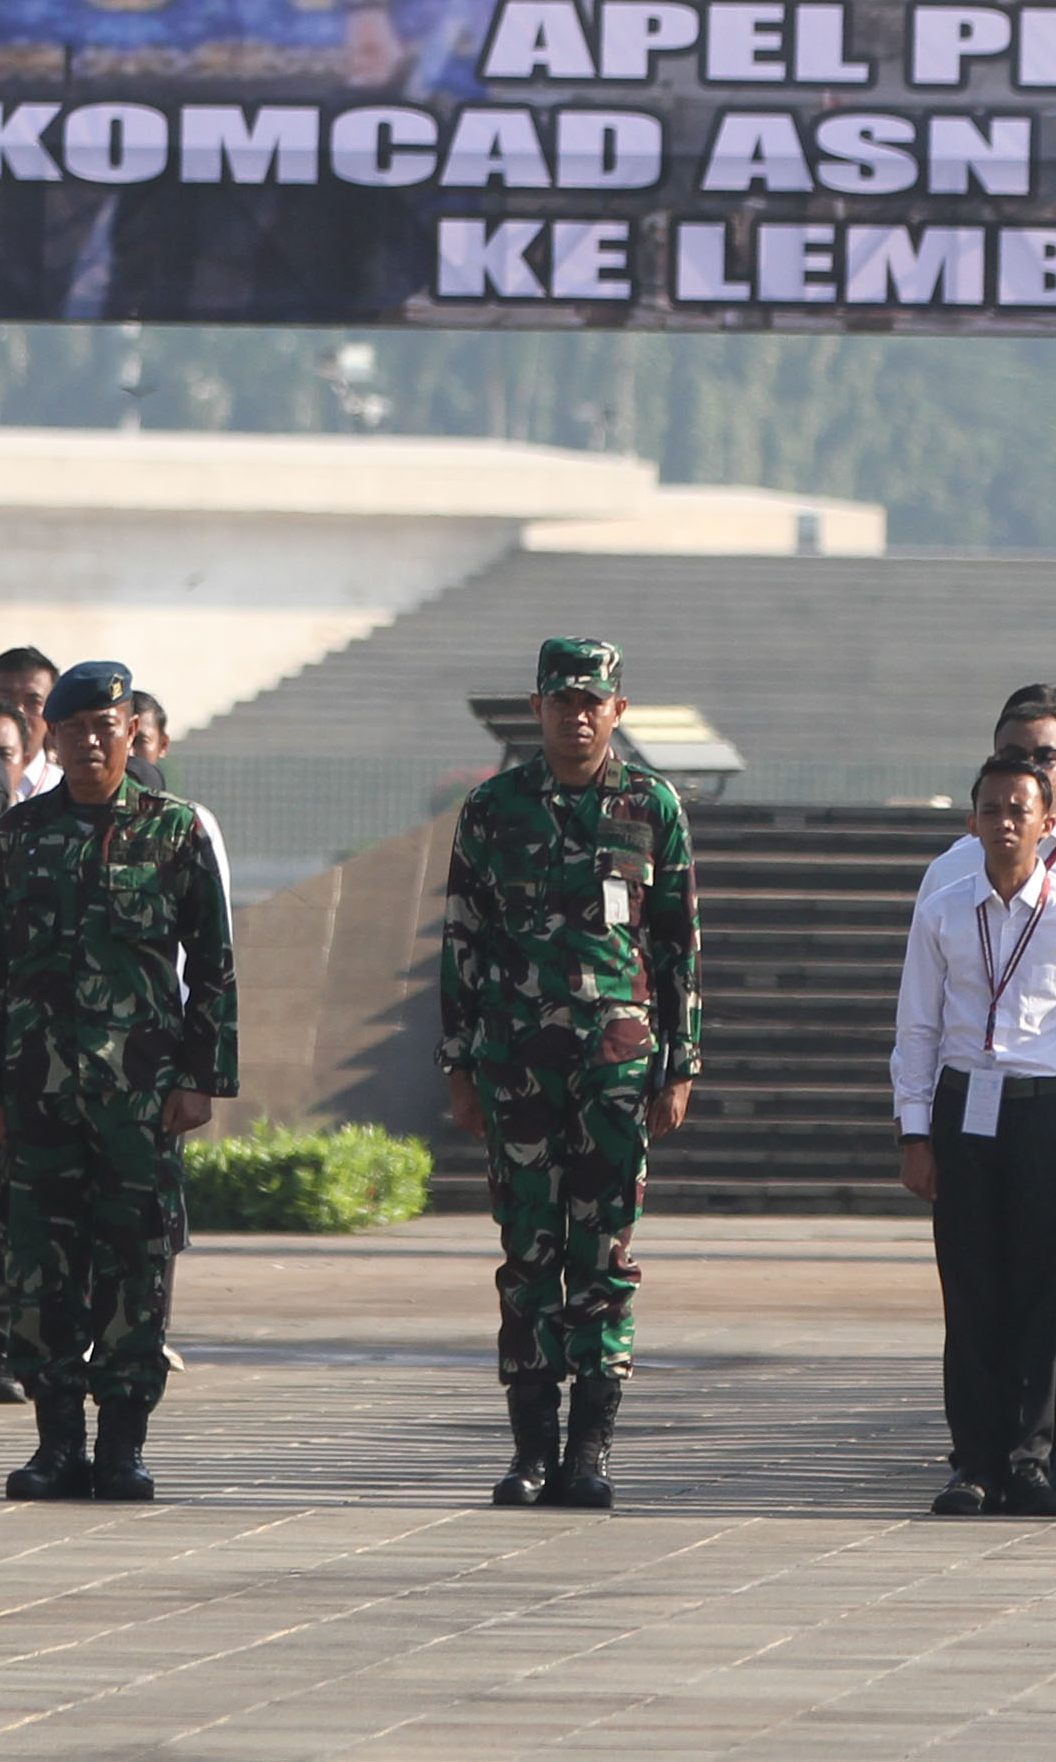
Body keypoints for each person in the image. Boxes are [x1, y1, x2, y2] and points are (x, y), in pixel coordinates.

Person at [0, 661, 235, 1505]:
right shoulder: (21, 833)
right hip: (39, 1094)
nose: (88, 740)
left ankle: (122, 1445)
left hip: (138, 1100)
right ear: (52, 735)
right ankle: (54, 1445)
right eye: (72, 727)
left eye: (104, 727)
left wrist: (200, 1079)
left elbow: (213, 968)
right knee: (40, 1271)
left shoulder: (175, 831)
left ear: (128, 734)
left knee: (135, 1270)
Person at [438, 637, 704, 1512]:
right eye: (562, 700)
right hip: (517, 1068)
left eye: (593, 701)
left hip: (616, 1073)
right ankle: (528, 1450)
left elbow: (677, 943)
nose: (577, 714)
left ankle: (589, 1450)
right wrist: (458, 1064)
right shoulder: (492, 810)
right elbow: (463, 943)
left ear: (617, 710)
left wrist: (680, 1064)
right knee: (527, 1258)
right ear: (537, 706)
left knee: (605, 1260)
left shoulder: (650, 804)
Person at [893, 747, 1056, 1515]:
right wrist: (914, 1133)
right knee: (972, 1289)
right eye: (991, 809)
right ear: (971, 820)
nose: (1004, 822)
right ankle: (974, 1460)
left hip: (1041, 1109)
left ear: (1048, 821)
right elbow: (916, 1026)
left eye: (1020, 809)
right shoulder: (944, 908)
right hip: (963, 1109)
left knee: (1040, 1290)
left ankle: (1030, 1455)